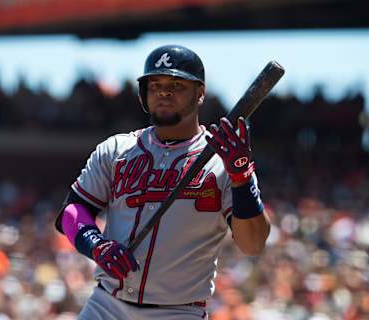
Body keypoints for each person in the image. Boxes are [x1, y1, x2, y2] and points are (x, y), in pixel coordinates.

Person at [54, 44, 271, 320]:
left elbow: (253, 244)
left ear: (200, 93)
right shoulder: (116, 149)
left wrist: (241, 177)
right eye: (155, 84)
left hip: (178, 311)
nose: (164, 93)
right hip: (106, 305)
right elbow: (71, 213)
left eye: (176, 85)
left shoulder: (224, 159)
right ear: (144, 94)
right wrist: (97, 244)